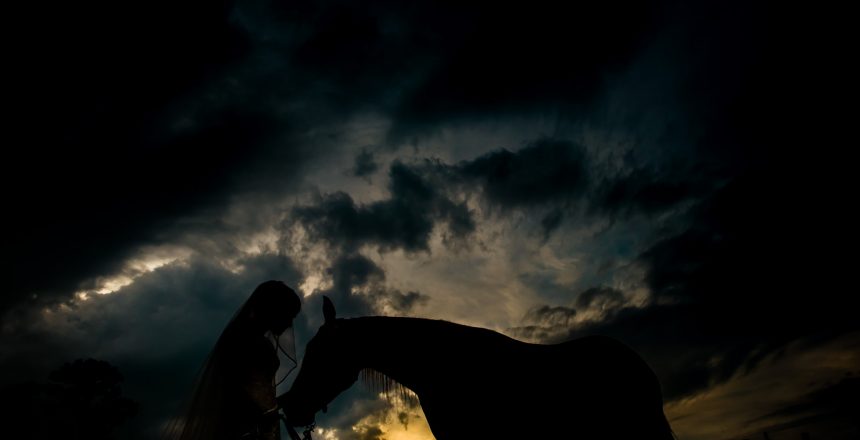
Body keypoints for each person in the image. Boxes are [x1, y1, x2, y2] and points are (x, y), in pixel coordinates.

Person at [162, 280, 302, 440]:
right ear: (273, 309)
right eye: (288, 315)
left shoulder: (245, 337)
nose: (290, 323)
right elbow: (253, 398)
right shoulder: (250, 341)